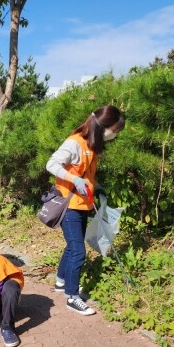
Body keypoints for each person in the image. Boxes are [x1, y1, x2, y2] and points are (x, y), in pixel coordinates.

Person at [45, 105, 125, 315]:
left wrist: (96, 187)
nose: (114, 135)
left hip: (83, 204)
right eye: (114, 130)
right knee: (78, 252)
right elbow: (51, 164)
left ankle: (61, 281)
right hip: (68, 205)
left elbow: (87, 175)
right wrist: (74, 180)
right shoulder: (75, 142)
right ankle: (72, 297)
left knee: (73, 246)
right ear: (102, 126)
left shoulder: (92, 145)